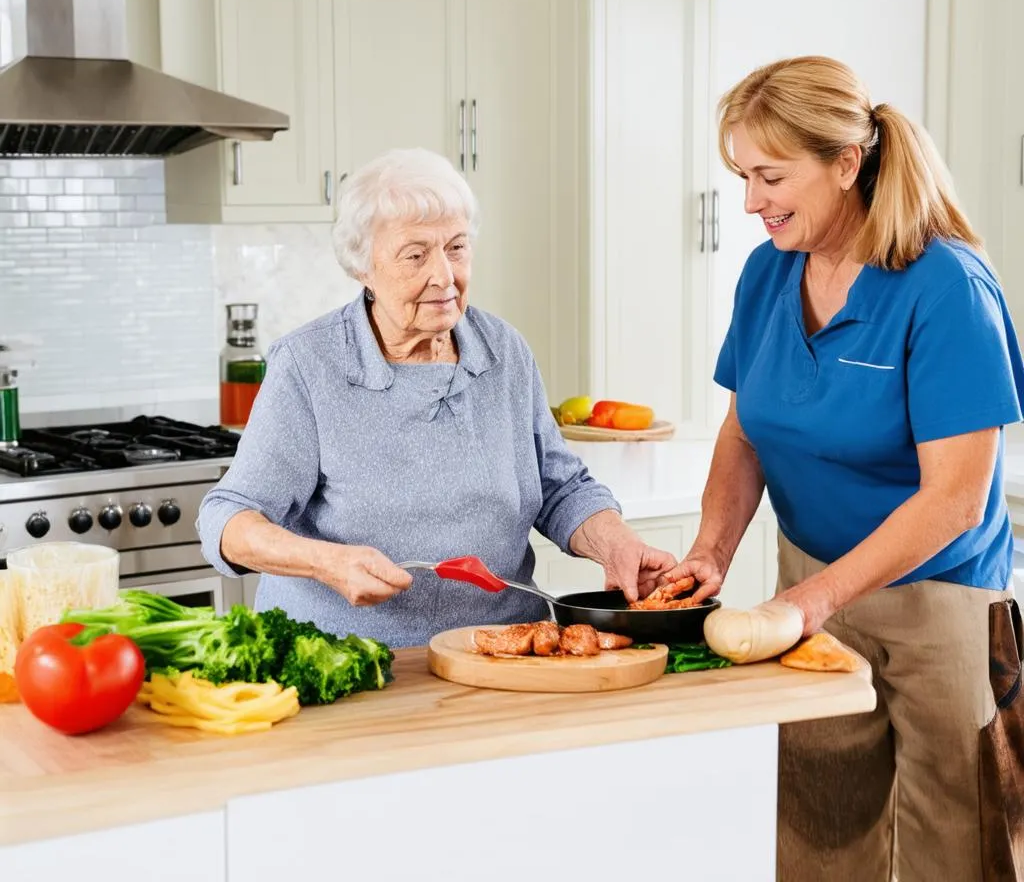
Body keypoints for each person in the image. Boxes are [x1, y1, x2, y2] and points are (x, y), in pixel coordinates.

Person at [660, 56, 1024, 881]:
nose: (751, 201)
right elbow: (743, 434)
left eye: (770, 176)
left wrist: (807, 601)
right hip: (812, 589)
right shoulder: (767, 273)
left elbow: (958, 500)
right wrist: (711, 553)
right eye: (743, 176)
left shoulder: (945, 287)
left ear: (846, 164)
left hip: (941, 607)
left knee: (957, 843)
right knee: (821, 833)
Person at [197, 147, 675, 648]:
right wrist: (325, 562)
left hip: (504, 648)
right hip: (351, 659)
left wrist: (618, 545)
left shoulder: (503, 350)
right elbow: (227, 518)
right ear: (363, 266)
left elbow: (560, 488)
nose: (445, 276)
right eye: (416, 255)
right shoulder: (309, 365)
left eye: (457, 248)